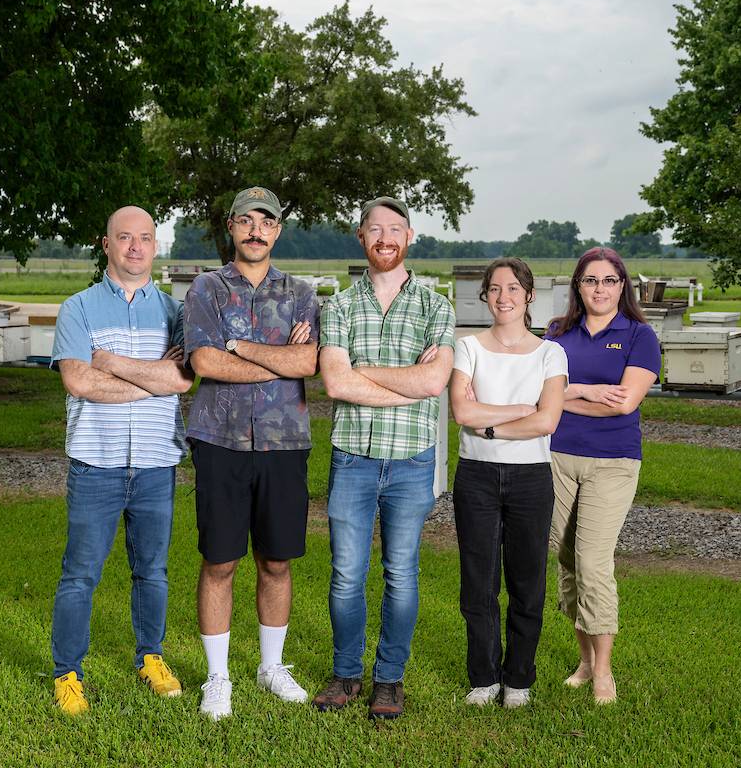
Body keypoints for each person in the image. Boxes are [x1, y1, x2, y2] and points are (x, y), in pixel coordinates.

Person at [312, 196, 455, 720]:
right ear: (361, 237)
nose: (385, 238)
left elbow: (435, 381)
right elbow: (334, 381)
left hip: (411, 459)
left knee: (401, 572)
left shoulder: (436, 306)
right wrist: (409, 385)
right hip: (352, 458)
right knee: (346, 574)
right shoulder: (340, 306)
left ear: (410, 236)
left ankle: (389, 680)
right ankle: (346, 674)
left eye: (395, 229)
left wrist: (364, 372)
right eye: (376, 230)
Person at [48, 206, 194, 715]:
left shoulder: (177, 313)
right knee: (80, 574)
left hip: (157, 464)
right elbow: (78, 381)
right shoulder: (79, 309)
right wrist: (150, 379)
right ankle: (67, 672)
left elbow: (180, 381)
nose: (136, 247)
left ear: (156, 246)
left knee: (152, 571)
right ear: (105, 244)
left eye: (146, 238)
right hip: (96, 465)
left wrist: (109, 361)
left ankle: (150, 657)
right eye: (124, 238)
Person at [183, 186, 320, 721]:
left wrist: (238, 347)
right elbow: (204, 363)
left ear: (278, 231)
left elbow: (310, 364)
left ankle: (270, 667)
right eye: (246, 221)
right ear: (232, 227)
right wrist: (278, 358)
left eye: (267, 221)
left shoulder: (303, 293)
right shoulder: (207, 289)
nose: (256, 230)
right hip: (221, 440)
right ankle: (218, 677)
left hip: (284, 443)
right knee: (220, 560)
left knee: (277, 560)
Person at [449, 257, 567, 708]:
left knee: (526, 581)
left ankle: (518, 679)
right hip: (476, 476)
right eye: (495, 289)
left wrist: (494, 424)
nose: (504, 297)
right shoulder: (469, 347)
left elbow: (548, 420)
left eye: (513, 289)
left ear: (529, 296)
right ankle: (483, 678)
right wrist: (522, 409)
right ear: (486, 295)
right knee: (479, 582)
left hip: (530, 479)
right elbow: (463, 413)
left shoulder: (550, 353)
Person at [543, 246, 660, 705]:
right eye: (591, 280)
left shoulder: (639, 335)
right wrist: (588, 390)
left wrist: (562, 396)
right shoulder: (557, 333)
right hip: (555, 455)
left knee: (593, 562)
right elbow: (538, 394)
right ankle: (585, 659)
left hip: (613, 461)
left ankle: (604, 673)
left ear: (622, 286)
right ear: (578, 286)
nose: (600, 289)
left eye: (609, 281)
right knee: (565, 559)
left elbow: (626, 402)